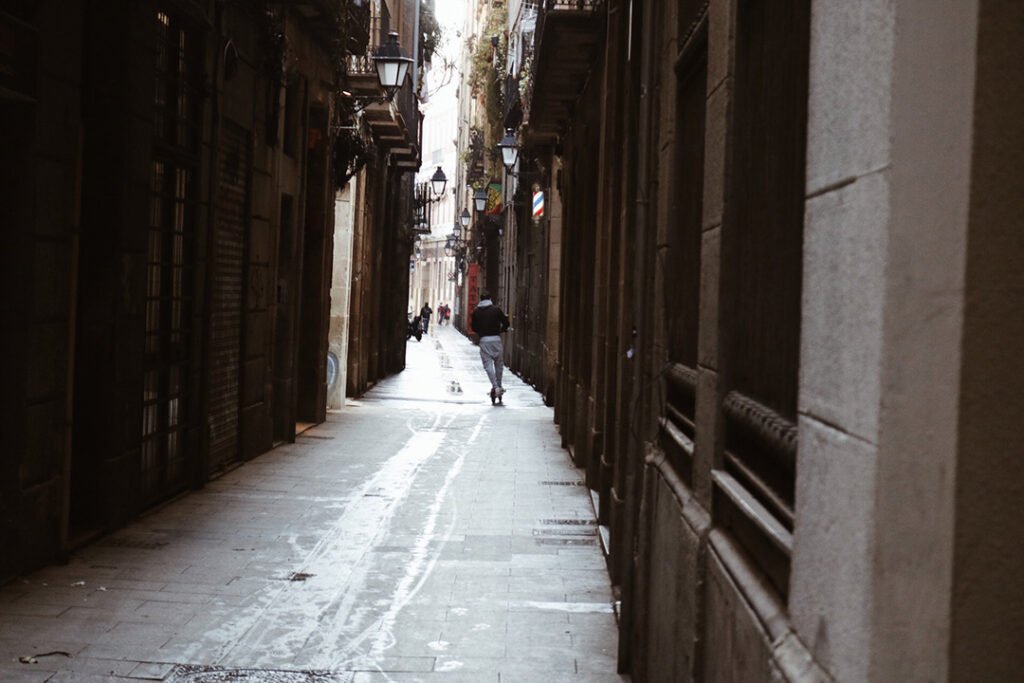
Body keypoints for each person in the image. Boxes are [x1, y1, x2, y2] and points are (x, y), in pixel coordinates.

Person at [470, 291, 510, 405]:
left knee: (488, 365)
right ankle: (499, 385)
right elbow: (506, 322)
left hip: (484, 340)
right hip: (496, 339)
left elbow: (473, 327)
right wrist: (502, 330)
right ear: (490, 299)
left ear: (481, 299)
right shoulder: (496, 310)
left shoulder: (476, 312)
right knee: (499, 364)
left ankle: (495, 386)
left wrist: (481, 332)